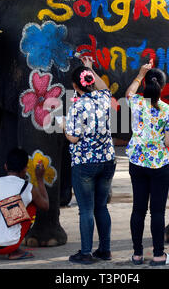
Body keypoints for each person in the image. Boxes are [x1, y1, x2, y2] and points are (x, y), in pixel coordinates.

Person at [62, 55, 116, 264]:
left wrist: (64, 127)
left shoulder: (76, 106)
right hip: (107, 160)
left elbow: (74, 137)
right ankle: (105, 250)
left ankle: (85, 253)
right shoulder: (104, 98)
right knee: (101, 207)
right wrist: (89, 68)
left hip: (85, 163)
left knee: (85, 209)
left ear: (75, 85)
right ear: (91, 80)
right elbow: (103, 87)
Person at [125, 61, 169, 266]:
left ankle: (137, 255)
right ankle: (158, 255)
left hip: (136, 162)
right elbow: (168, 142)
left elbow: (129, 92)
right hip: (159, 166)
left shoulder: (137, 103)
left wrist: (140, 74)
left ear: (146, 84)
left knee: (138, 209)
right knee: (158, 211)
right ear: (162, 87)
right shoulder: (168, 110)